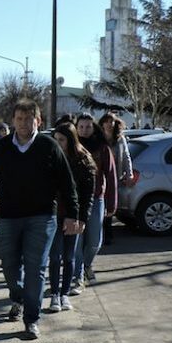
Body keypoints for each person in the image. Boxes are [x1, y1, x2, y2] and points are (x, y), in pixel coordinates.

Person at [0, 99, 81, 340]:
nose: (24, 123)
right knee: (9, 266)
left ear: (38, 121)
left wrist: (73, 214)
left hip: (42, 216)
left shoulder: (49, 146)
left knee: (36, 268)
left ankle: (32, 319)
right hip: (8, 216)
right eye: (19, 119)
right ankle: (17, 297)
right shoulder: (3, 146)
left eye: (29, 119)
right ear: (13, 120)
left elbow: (67, 182)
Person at [47, 123, 95, 312]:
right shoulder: (50, 157)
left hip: (73, 215)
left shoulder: (84, 161)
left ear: (70, 139)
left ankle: (64, 294)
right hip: (53, 214)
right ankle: (54, 295)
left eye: (62, 140)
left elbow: (87, 195)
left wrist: (82, 219)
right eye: (56, 139)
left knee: (68, 256)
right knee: (54, 256)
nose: (58, 143)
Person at [74, 113, 117, 290]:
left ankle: (86, 265)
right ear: (76, 128)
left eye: (88, 127)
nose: (84, 130)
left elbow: (111, 175)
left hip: (97, 198)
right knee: (77, 240)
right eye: (81, 127)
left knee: (94, 241)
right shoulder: (71, 146)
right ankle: (77, 276)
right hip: (75, 200)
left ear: (94, 128)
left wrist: (111, 202)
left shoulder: (102, 148)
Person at [98, 113, 133, 245]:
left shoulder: (120, 139)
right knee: (100, 204)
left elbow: (126, 157)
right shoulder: (98, 138)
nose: (109, 124)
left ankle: (108, 233)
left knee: (111, 206)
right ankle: (100, 232)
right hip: (101, 176)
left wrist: (129, 174)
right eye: (106, 121)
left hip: (114, 177)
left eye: (111, 122)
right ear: (102, 123)